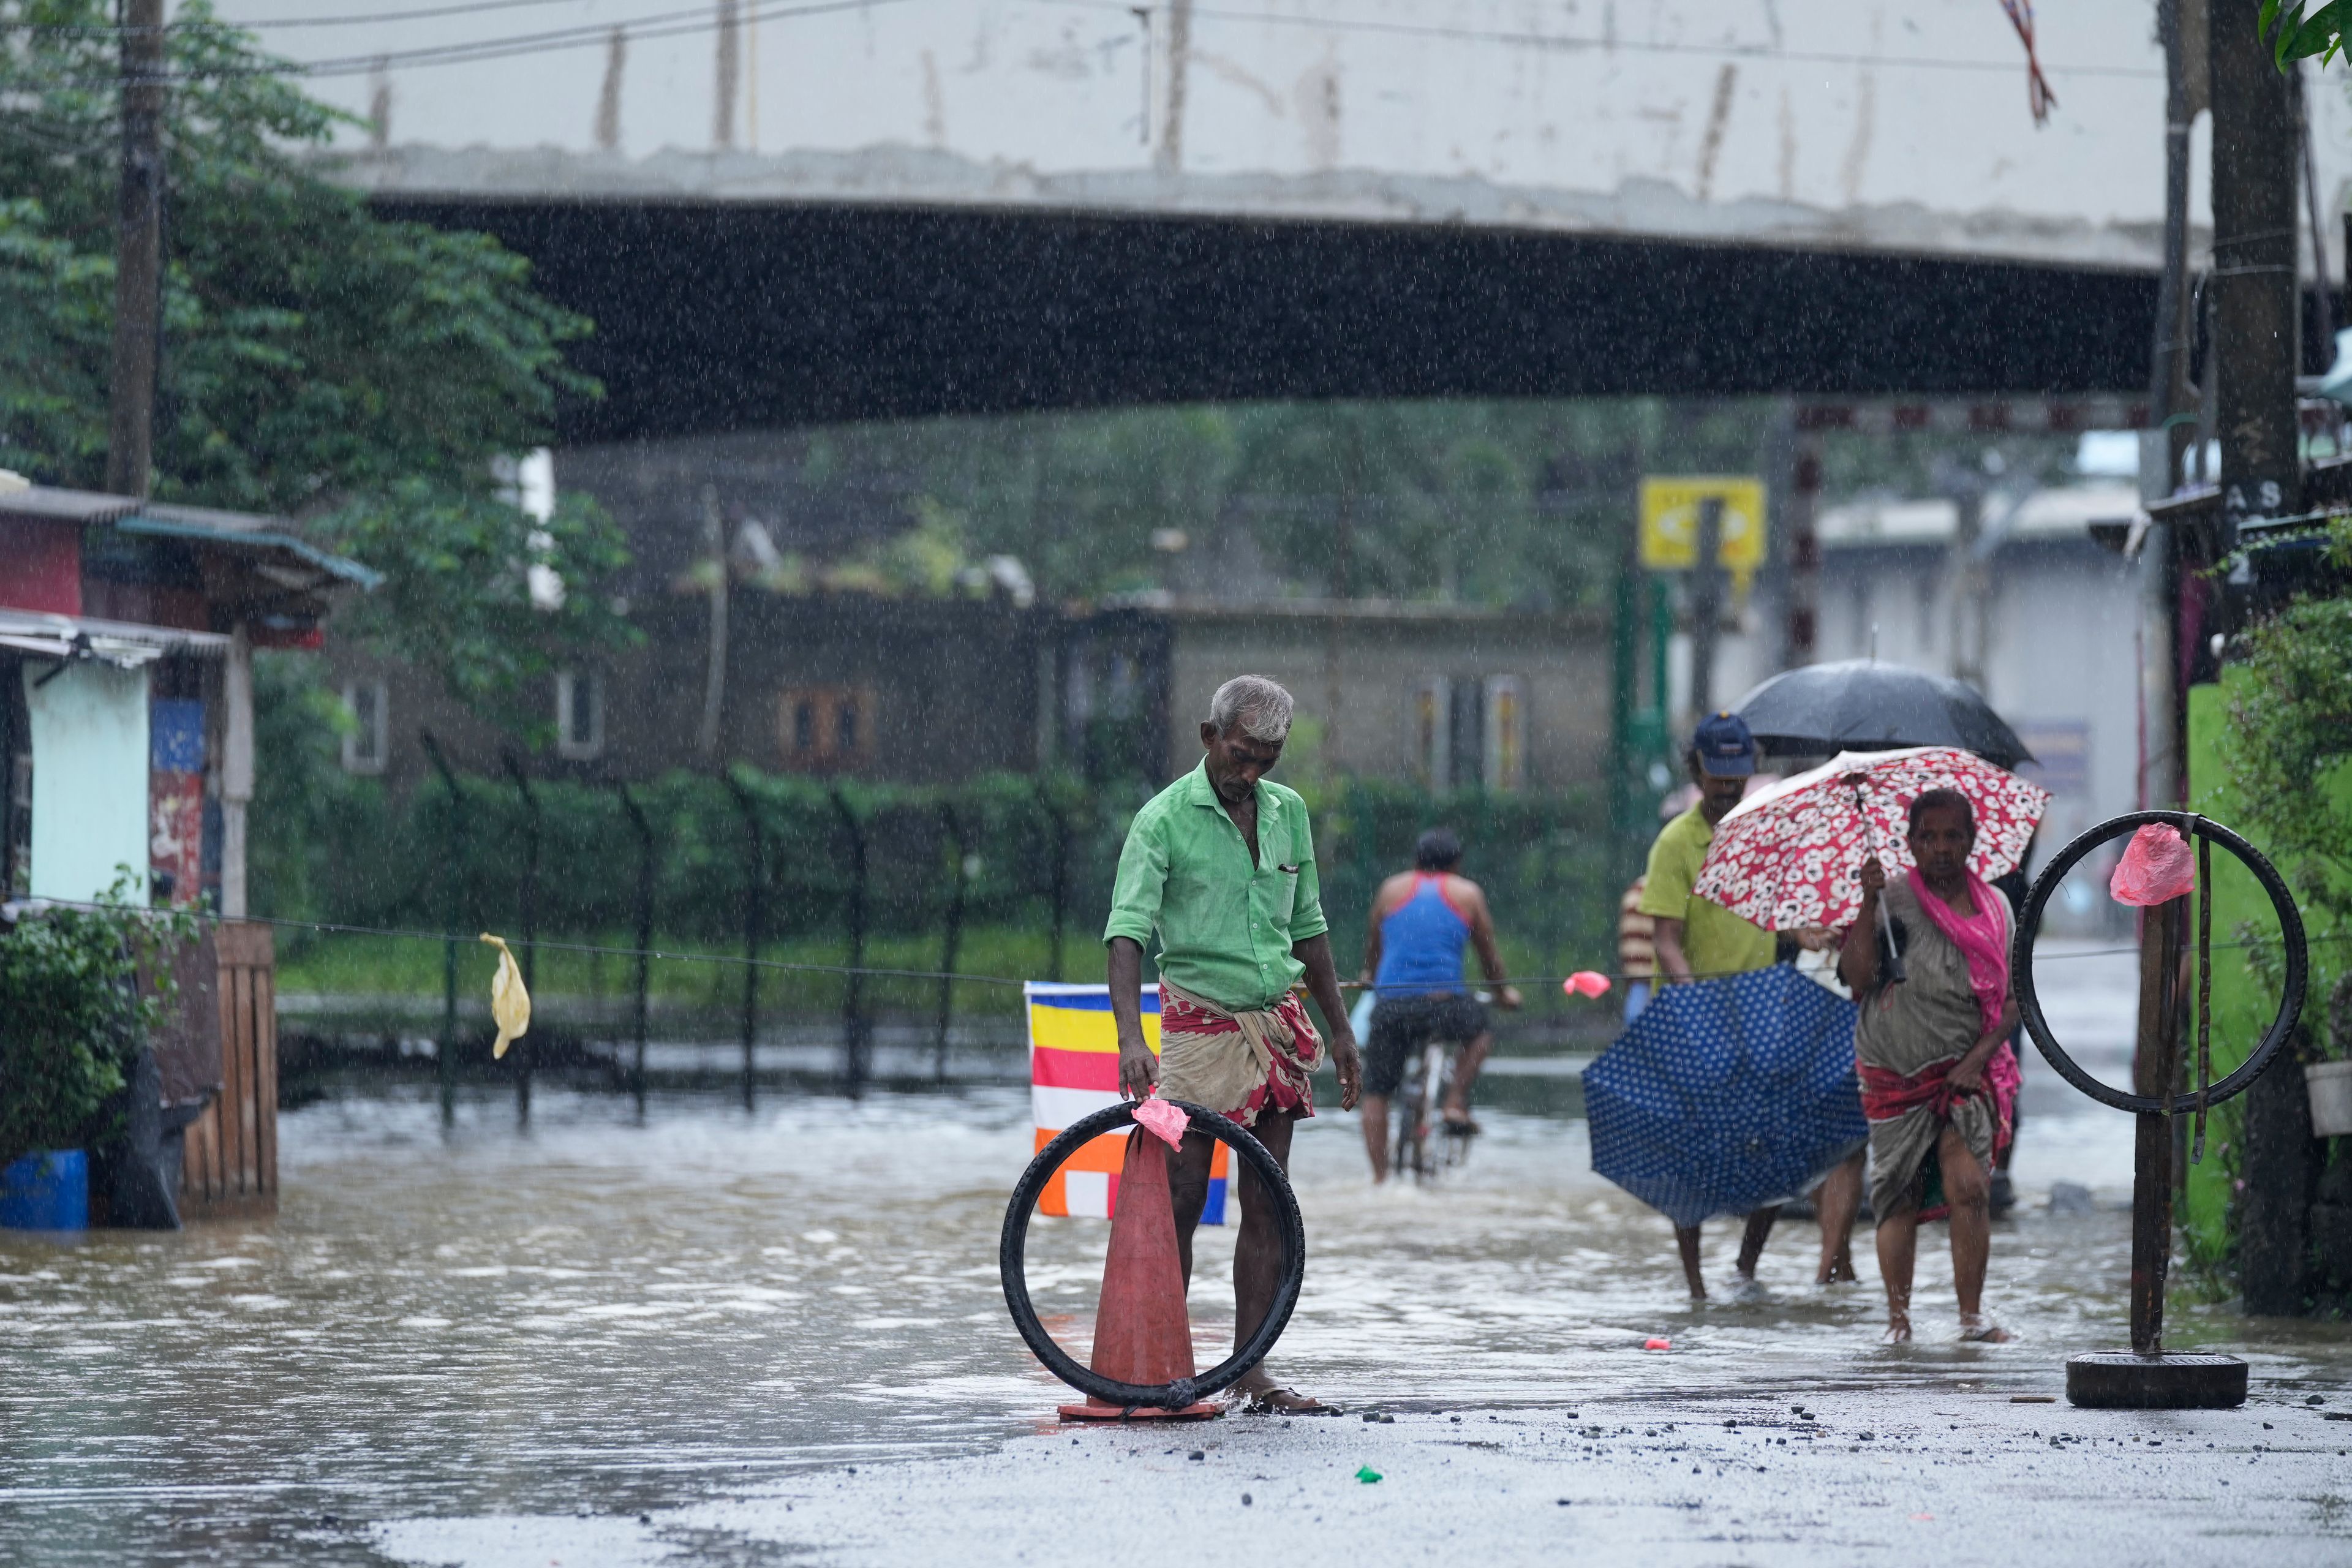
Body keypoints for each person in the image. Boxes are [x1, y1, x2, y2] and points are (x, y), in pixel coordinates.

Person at [1104, 674, 1363, 1414]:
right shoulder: (1161, 822)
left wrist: (1341, 1032)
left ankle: (1251, 1370)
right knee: (1180, 1196)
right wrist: (1130, 1037)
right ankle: (1164, 1365)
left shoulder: (1288, 814)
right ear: (1209, 738)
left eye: (1266, 761)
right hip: (1197, 1027)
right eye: (1241, 755)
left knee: (1267, 1197)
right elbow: (1126, 933)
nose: (1249, 774)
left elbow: (1308, 926)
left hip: (1276, 1024)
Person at [1639, 712, 1862, 1298]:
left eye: (1739, 774)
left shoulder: (1763, 834)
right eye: (1718, 774)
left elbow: (1766, 917)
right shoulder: (1675, 844)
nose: (1728, 786)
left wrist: (1802, 934)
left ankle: (1745, 1269)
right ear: (1697, 771)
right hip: (1693, 1022)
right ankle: (1695, 1288)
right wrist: (1696, 1002)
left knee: (1778, 1151)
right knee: (1692, 1161)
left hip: (1762, 1014)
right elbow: (1666, 938)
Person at [1839, 788, 2021, 1344]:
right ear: (1911, 842)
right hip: (1893, 1075)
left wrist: (1976, 1061)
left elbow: (2015, 1000)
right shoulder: (1890, 898)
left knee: (1969, 1187)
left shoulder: (1996, 908)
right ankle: (1899, 1322)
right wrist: (1868, 905)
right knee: (1899, 1193)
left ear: (1971, 841)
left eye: (1953, 836)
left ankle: (1971, 1319)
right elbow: (1857, 978)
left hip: (1966, 1074)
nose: (1941, 848)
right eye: (1929, 837)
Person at [1356, 827, 1522, 1181]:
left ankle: (1380, 1179)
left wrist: (1369, 974)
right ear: (1457, 863)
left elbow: (1374, 948)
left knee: (1376, 1091)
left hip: (1392, 1007)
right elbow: (1489, 957)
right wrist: (1504, 993)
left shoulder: (1391, 889)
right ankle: (1453, 1102)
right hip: (1444, 1007)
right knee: (1480, 1033)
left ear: (1416, 859)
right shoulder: (1467, 893)